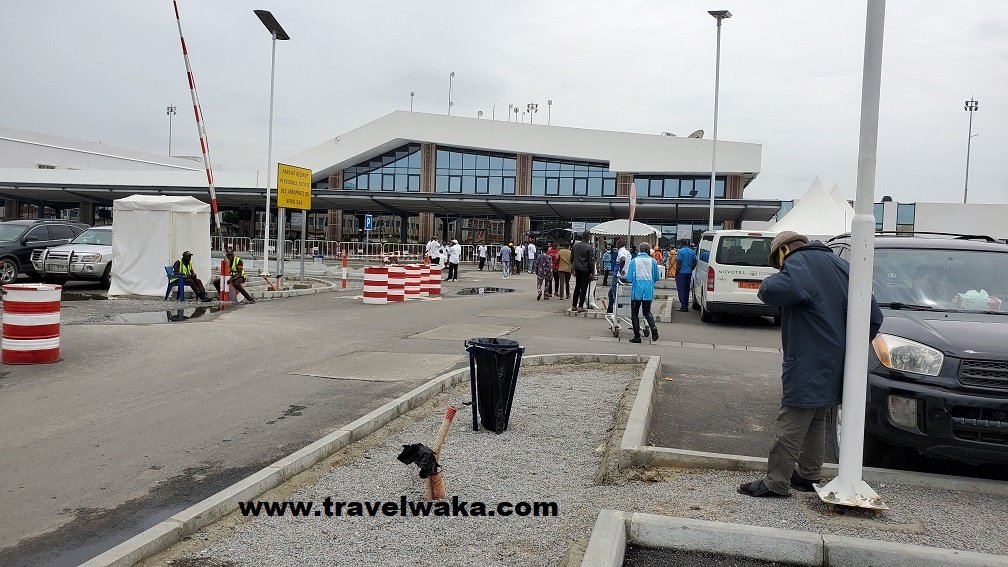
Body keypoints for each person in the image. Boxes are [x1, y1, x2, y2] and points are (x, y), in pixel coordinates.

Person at [738, 231, 884, 498]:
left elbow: (772, 290)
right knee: (817, 418)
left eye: (778, 263)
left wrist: (771, 280)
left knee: (792, 420)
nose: (781, 268)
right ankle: (808, 475)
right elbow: (874, 317)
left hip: (809, 361)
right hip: (840, 363)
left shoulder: (799, 263)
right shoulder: (844, 266)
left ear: (784, 251)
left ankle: (776, 482)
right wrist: (846, 347)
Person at [626, 242, 659, 343]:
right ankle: (653, 327)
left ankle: (637, 336)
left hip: (637, 290)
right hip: (648, 289)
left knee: (635, 313)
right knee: (647, 311)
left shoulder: (634, 261)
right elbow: (656, 277)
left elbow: (629, 278)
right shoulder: (653, 261)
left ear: (639, 250)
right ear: (649, 250)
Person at [571, 231, 597, 312]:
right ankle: (580, 306)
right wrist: (592, 272)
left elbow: (571, 258)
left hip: (577, 268)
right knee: (584, 287)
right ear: (588, 238)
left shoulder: (575, 246)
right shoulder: (589, 247)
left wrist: (573, 268)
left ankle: (574, 305)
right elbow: (590, 261)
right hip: (585, 269)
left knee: (577, 286)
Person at [607, 238, 632, 314]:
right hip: (626, 275)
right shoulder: (628, 252)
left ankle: (618, 309)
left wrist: (621, 269)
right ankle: (610, 308)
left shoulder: (621, 252)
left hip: (618, 275)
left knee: (616, 293)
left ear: (618, 245)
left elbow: (622, 259)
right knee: (610, 292)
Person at [674, 239, 697, 312]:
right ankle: (686, 305)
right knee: (687, 290)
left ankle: (683, 306)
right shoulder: (692, 252)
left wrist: (676, 272)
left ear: (681, 244)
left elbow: (679, 263)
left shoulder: (680, 251)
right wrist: (691, 268)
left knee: (681, 290)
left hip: (681, 273)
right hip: (689, 272)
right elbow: (695, 261)